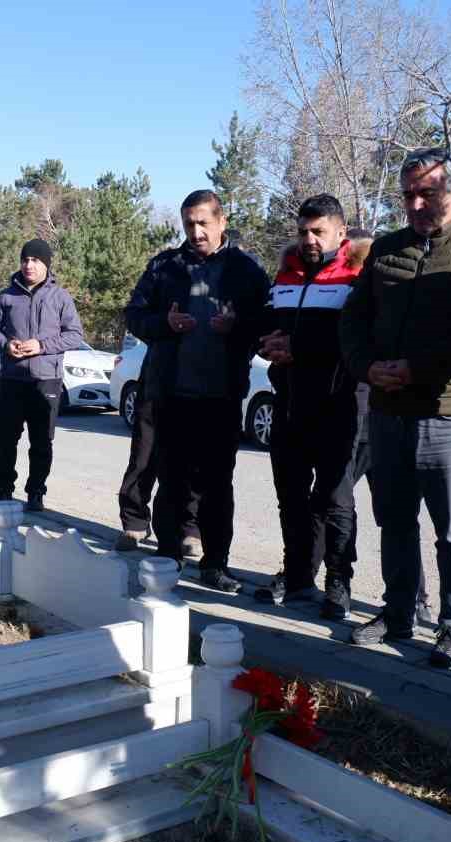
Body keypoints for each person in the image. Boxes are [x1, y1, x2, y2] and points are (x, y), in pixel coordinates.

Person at [339, 148, 451, 668]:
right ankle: (398, 613)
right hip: (387, 412)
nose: (417, 203)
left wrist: (420, 371)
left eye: (429, 193)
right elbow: (354, 319)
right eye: (408, 194)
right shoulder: (386, 249)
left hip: (449, 415)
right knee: (394, 520)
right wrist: (366, 368)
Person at [125, 190, 269, 594]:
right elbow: (134, 315)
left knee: (217, 484)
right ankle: (167, 558)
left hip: (221, 396)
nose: (196, 231)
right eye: (189, 223)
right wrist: (164, 324)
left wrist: (236, 328)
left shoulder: (245, 270)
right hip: (171, 394)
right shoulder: (165, 265)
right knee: (171, 480)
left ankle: (215, 564)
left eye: (204, 222)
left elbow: (267, 323)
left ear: (222, 221)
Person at [253, 197, 370, 620]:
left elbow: (357, 340)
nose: (309, 239)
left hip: (340, 405)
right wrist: (265, 344)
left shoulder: (358, 277)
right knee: (291, 497)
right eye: (304, 231)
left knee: (334, 499)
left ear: (342, 232)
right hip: (288, 404)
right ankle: (298, 573)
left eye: (318, 231)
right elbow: (263, 327)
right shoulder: (284, 275)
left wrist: (297, 347)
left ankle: (338, 581)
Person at [0, 239, 85, 512]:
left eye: (36, 260)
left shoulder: (60, 297)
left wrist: (42, 346)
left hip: (46, 380)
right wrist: (6, 344)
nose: (29, 265)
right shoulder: (6, 296)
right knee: (6, 438)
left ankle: (36, 493)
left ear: (46, 264)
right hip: (12, 380)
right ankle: (3, 490)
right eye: (25, 259)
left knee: (41, 441)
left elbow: (75, 335)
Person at [113, 350, 202, 553]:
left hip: (202, 385)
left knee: (193, 464)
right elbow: (138, 319)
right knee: (143, 457)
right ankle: (135, 522)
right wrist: (165, 322)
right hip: (158, 379)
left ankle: (191, 528)